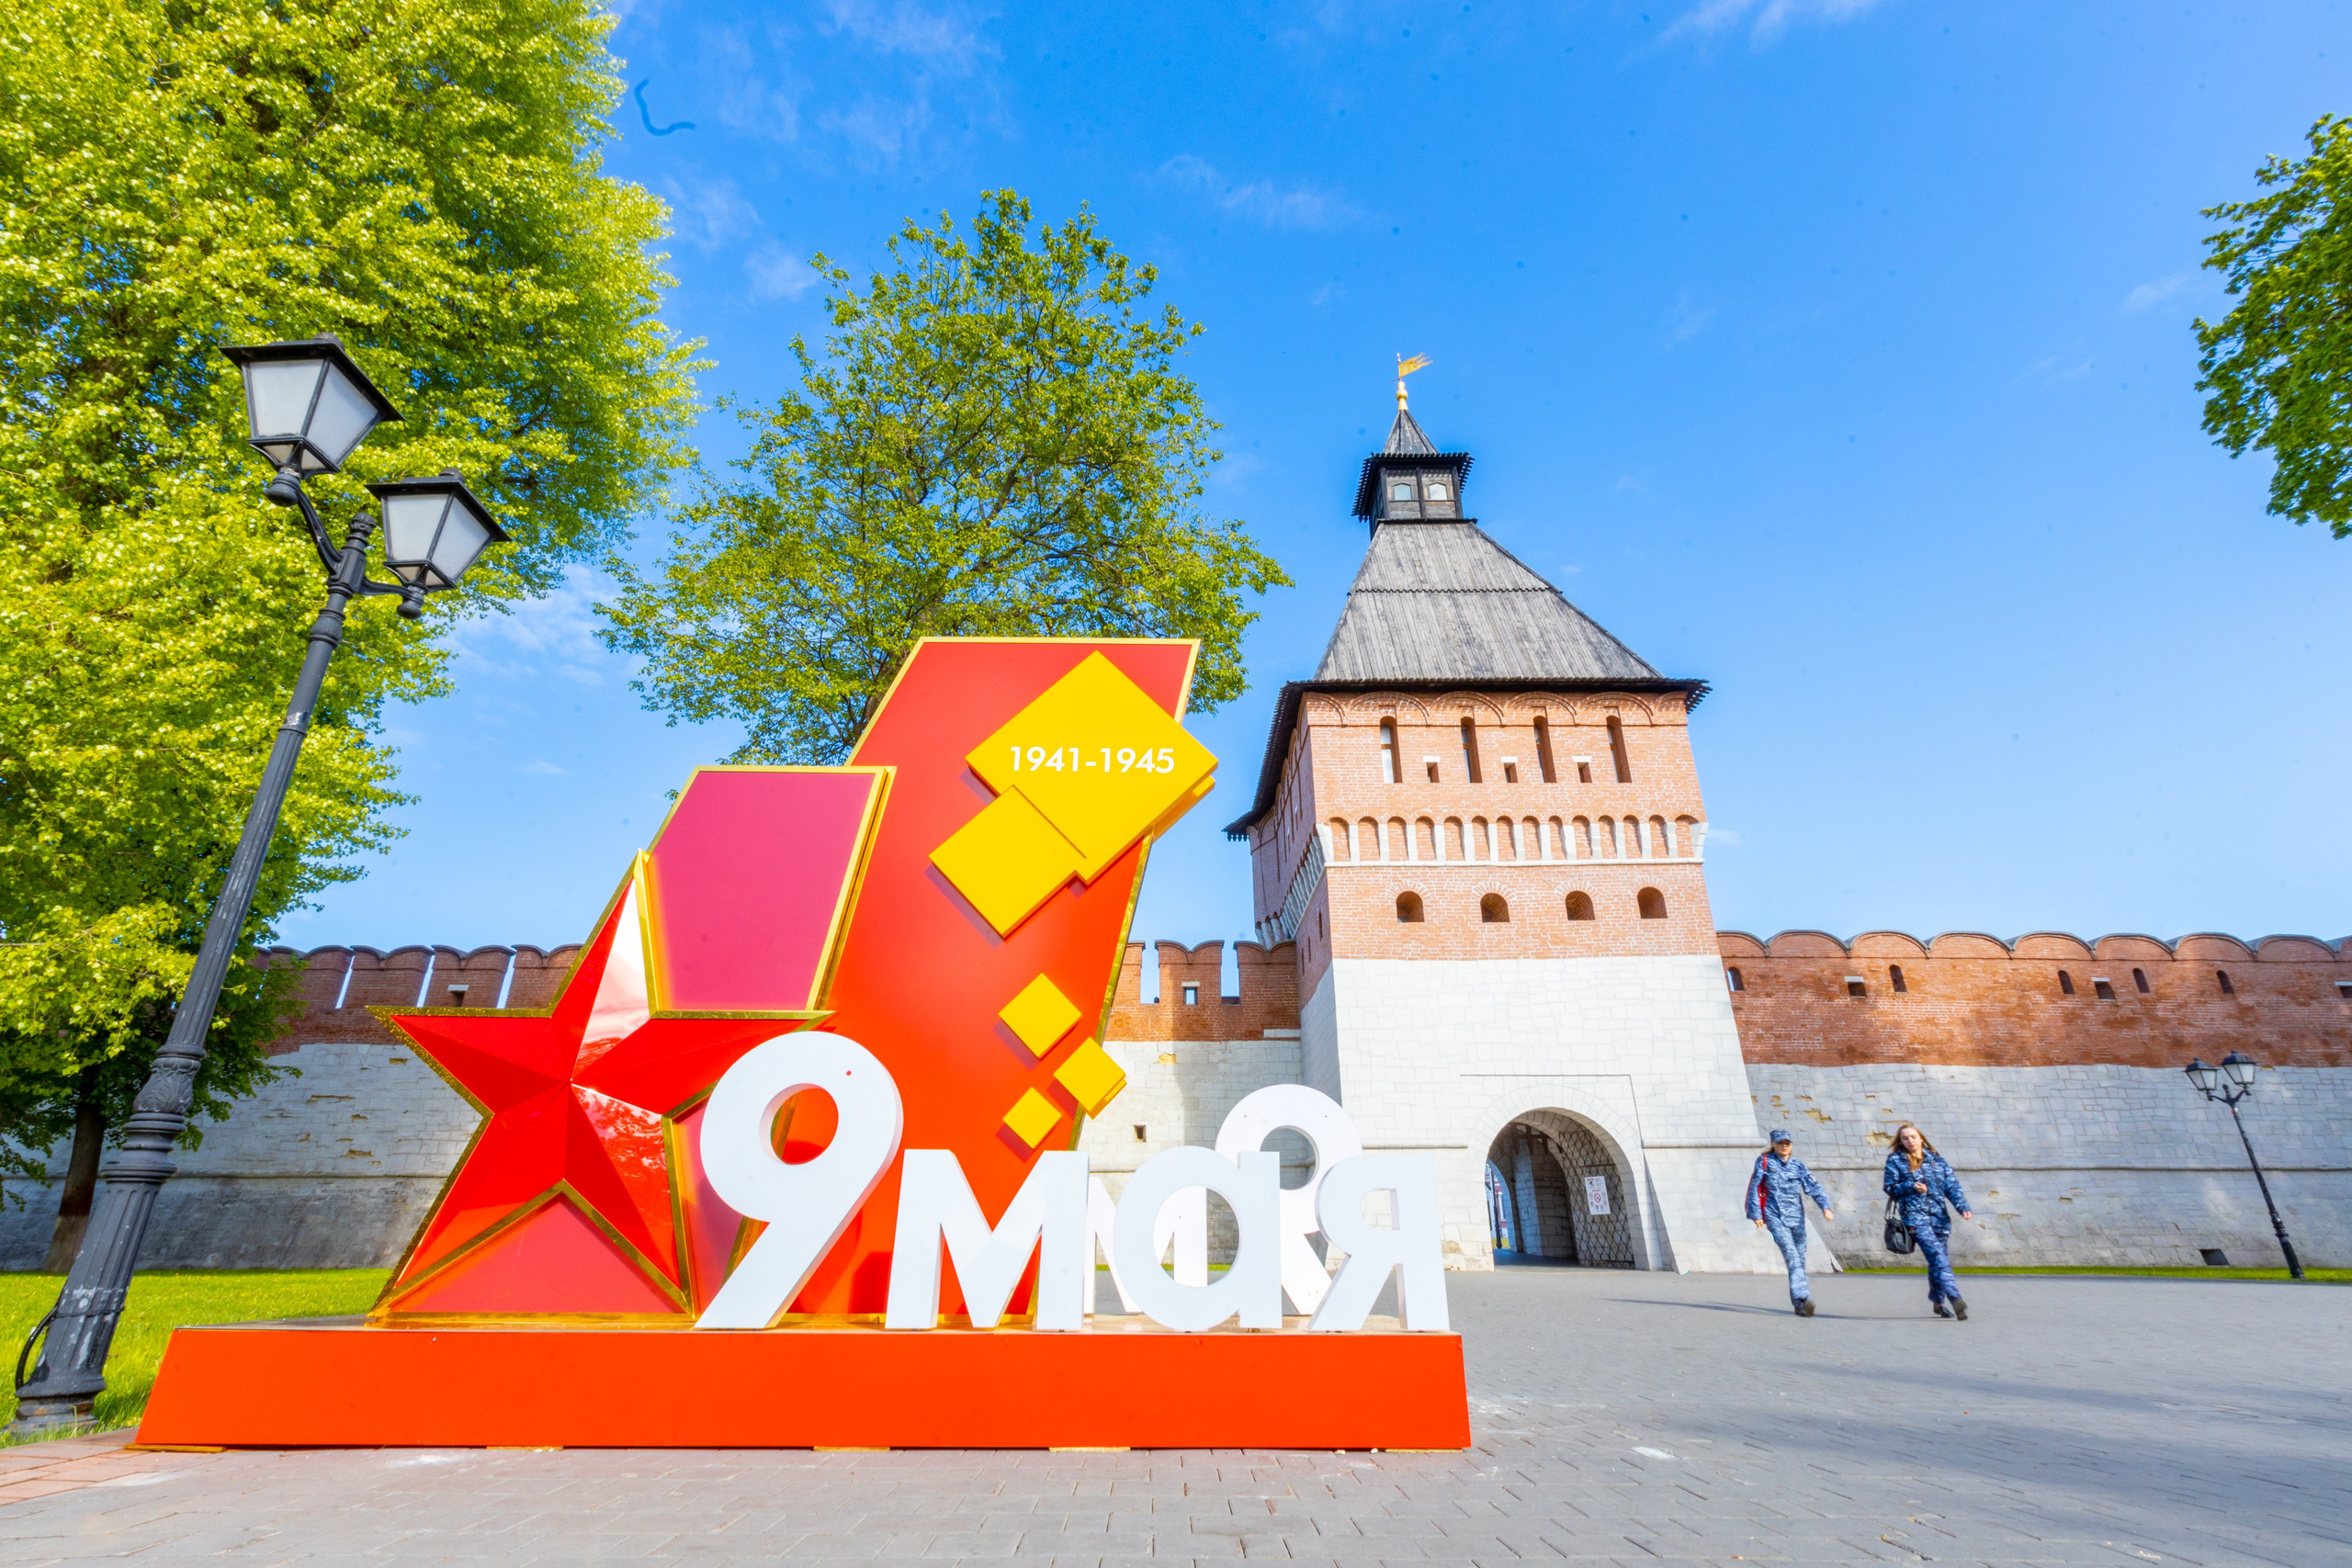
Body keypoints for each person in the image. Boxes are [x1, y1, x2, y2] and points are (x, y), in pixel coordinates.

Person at [1883, 1122, 1973, 1319]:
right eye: (1905, 1138)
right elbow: (1890, 1188)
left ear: (1921, 1138)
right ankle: (1955, 1298)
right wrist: (1911, 1187)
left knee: (1936, 1262)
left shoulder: (1936, 1160)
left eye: (1913, 1137)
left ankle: (1938, 1303)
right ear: (1901, 1142)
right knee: (1938, 1257)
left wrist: (1963, 1207)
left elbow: (1952, 1187)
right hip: (1916, 1219)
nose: (1910, 1141)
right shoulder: (1896, 1161)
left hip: (1940, 1219)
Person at [1744, 1129, 1835, 1316]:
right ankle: (1804, 1297)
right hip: (1775, 1217)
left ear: (1791, 1145)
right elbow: (1755, 1187)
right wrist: (1756, 1214)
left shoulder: (1798, 1166)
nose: (1784, 1146)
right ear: (1773, 1144)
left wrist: (1825, 1206)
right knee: (1792, 1256)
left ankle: (1799, 1305)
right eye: (1780, 1143)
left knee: (1799, 1260)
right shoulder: (1765, 1162)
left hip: (1797, 1219)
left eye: (1787, 1143)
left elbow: (1813, 1186)